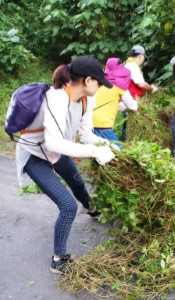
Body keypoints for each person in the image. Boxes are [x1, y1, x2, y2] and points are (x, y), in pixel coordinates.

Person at [15, 55, 116, 274]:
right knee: (68, 206)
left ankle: (90, 209)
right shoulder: (57, 98)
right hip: (35, 155)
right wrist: (93, 152)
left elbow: (86, 134)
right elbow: (53, 142)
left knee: (77, 182)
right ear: (88, 80)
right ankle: (58, 260)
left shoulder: (88, 100)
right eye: (99, 82)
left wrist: (107, 144)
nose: (100, 87)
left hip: (56, 151)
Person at [92, 57, 138, 148]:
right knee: (118, 152)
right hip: (103, 124)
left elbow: (109, 103)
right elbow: (133, 106)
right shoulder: (120, 86)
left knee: (101, 151)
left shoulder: (100, 82)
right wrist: (137, 103)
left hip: (89, 121)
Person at [122, 44, 158, 140]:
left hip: (126, 100)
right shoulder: (133, 66)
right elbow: (141, 84)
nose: (143, 60)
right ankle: (126, 143)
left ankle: (125, 142)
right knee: (130, 126)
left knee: (127, 125)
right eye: (143, 58)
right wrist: (152, 89)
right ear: (140, 56)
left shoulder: (126, 64)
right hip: (131, 100)